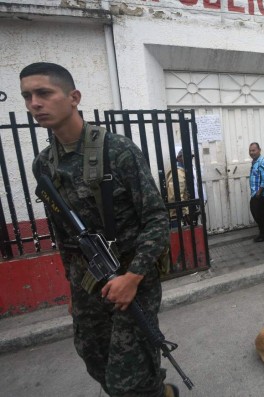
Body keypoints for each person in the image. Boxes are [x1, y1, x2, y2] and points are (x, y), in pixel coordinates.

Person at [21, 62, 178, 396]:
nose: (34, 103)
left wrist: (132, 277)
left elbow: (156, 219)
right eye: (27, 96)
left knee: (128, 376)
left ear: (74, 97)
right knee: (94, 359)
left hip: (131, 276)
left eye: (43, 93)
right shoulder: (43, 164)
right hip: (86, 282)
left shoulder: (116, 151)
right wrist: (73, 289)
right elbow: (64, 235)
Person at [249, 142, 264, 242]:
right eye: (250, 150)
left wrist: (259, 192)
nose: (251, 152)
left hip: (260, 194)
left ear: (259, 150)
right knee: (259, 214)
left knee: (260, 214)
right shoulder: (255, 161)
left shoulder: (262, 162)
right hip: (256, 193)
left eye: (253, 150)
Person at [166, 147, 192, 227]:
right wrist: (185, 213)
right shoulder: (178, 173)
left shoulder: (183, 170)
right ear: (179, 158)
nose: (190, 159)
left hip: (180, 214)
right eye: (186, 157)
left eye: (191, 157)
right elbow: (176, 196)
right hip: (178, 215)